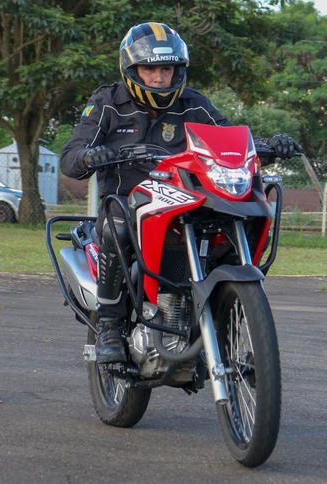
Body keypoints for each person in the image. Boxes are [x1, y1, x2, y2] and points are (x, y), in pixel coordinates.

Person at [60, 22, 301, 364]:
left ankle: (226, 313)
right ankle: (111, 326)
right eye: (151, 69)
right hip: (130, 202)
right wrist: (89, 155)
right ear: (131, 69)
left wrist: (266, 145)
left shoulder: (194, 104)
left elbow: (230, 137)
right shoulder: (107, 102)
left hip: (184, 200)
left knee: (241, 213)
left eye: (167, 69)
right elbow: (71, 157)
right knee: (116, 223)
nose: (160, 78)